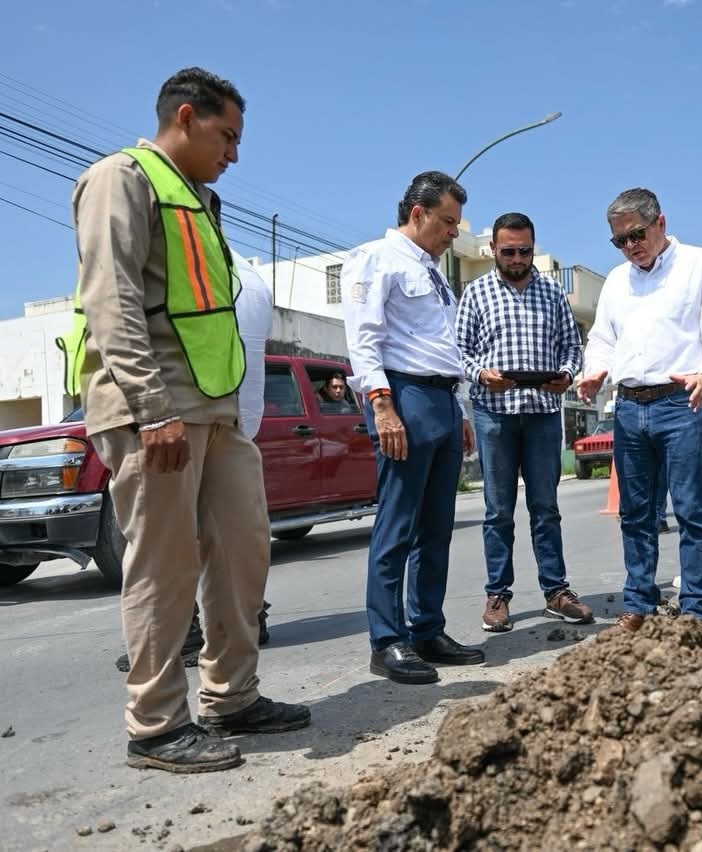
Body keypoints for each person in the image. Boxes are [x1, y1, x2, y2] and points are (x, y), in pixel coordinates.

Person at [70, 67, 309, 773]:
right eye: (225, 135)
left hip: (215, 407)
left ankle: (231, 697)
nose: (233, 153)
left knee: (243, 549)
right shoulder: (122, 178)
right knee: (165, 564)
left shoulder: (200, 200)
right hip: (156, 409)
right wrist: (152, 409)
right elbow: (111, 299)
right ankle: (154, 726)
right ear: (185, 116)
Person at [342, 171, 484, 684]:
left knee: (436, 526)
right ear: (417, 213)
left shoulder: (433, 271)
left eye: (456, 223)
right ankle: (387, 640)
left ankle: (427, 629)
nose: (453, 232)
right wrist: (381, 405)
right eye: (446, 222)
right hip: (403, 395)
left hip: (441, 398)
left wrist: (460, 411)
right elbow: (363, 336)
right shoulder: (375, 259)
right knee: (398, 524)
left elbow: (442, 345)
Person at [577, 188, 702, 632]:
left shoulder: (700, 265)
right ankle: (639, 603)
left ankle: (695, 609)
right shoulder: (616, 282)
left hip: (680, 404)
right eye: (620, 240)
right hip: (629, 409)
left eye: (637, 234)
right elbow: (602, 339)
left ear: (661, 223)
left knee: (691, 509)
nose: (631, 246)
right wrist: (595, 372)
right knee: (635, 514)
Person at [112, 250, 274, 675]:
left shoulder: (193, 263)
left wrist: (151, 410)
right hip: (225, 411)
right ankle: (245, 629)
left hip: (194, 409)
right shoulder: (247, 277)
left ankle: (187, 650)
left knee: (172, 542)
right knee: (226, 540)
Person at [456, 212, 593, 632]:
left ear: (534, 248)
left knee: (545, 508)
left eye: (525, 251)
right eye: (509, 251)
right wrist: (483, 375)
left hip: (543, 415)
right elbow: (459, 351)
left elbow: (572, 346)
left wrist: (566, 374)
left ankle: (556, 591)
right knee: (498, 511)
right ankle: (497, 594)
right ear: (493, 249)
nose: (517, 258)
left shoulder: (552, 292)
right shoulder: (475, 293)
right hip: (494, 415)